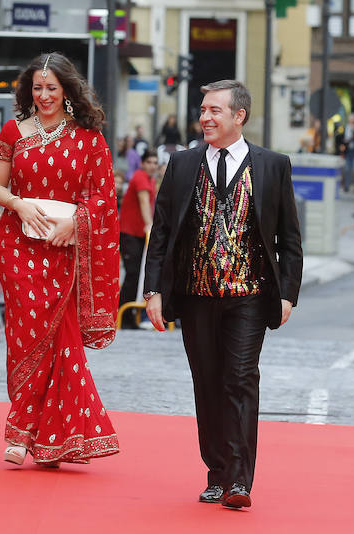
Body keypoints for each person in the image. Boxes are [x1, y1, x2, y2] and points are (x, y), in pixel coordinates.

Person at [144, 80, 303, 509]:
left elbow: (289, 237)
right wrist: (153, 290)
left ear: (239, 116)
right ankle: (216, 473)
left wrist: (288, 293)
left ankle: (239, 480)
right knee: (208, 382)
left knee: (240, 379)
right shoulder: (182, 164)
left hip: (249, 295)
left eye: (215, 110)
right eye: (203, 110)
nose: (205, 117)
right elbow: (162, 232)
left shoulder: (273, 166)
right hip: (196, 294)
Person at [0, 52, 121, 466]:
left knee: (60, 339)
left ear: (66, 91)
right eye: (37, 88)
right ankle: (23, 430)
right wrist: (19, 205)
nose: (43, 95)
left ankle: (43, 437)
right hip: (18, 244)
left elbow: (103, 196)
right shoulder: (13, 131)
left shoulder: (88, 138)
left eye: (51, 88)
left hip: (64, 248)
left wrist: (75, 223)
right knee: (25, 333)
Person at [117, 149, 159, 328]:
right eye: (149, 162)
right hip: (129, 233)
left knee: (137, 275)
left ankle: (129, 315)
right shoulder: (140, 177)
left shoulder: (150, 180)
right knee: (132, 274)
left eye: (155, 163)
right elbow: (143, 202)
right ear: (142, 163)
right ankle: (123, 316)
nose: (152, 166)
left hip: (139, 234)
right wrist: (150, 225)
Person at [336, 113, 354, 191]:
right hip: (348, 151)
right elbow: (341, 138)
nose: (350, 120)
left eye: (352, 118)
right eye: (350, 118)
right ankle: (346, 186)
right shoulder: (345, 128)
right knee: (347, 169)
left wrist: (351, 136)